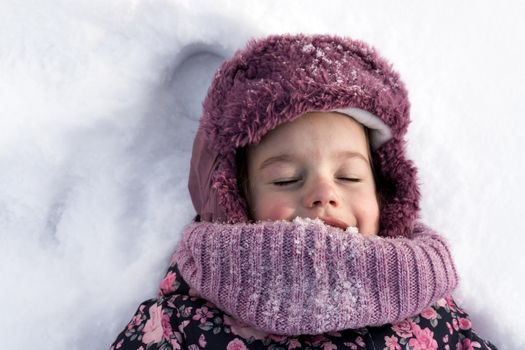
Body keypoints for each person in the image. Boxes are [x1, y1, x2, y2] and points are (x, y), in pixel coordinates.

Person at [109, 34, 497, 349]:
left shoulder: (433, 315)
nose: (324, 193)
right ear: (237, 200)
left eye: (349, 176)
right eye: (285, 179)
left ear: (385, 194)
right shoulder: (183, 325)